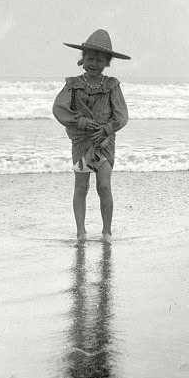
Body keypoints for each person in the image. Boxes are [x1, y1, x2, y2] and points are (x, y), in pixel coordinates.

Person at [52, 30, 130, 241]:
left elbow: (122, 115)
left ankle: (106, 231)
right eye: (90, 58)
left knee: (103, 185)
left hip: (104, 142)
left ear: (107, 63)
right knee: (81, 187)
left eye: (99, 59)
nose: (94, 63)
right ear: (82, 60)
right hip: (81, 142)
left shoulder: (111, 85)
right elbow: (59, 109)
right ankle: (81, 232)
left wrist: (107, 129)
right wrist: (80, 121)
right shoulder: (73, 84)